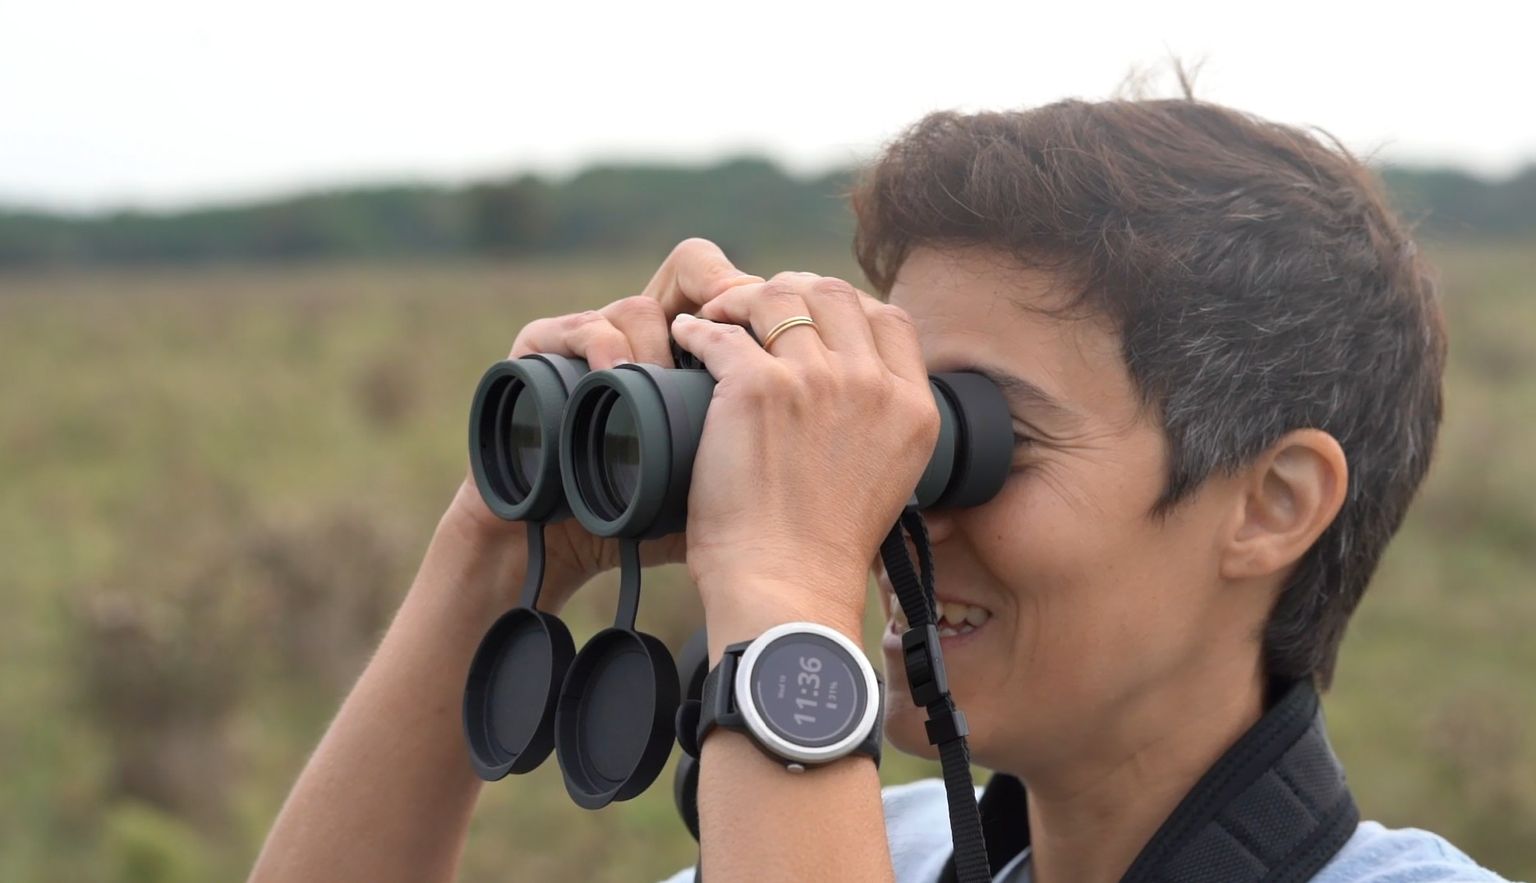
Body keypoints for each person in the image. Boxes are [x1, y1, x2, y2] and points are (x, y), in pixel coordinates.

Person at [249, 81, 1511, 883]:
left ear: (1272, 503)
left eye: (972, 436)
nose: (893, 496)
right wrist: (497, 546)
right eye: (888, 413)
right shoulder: (879, 850)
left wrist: (787, 587)